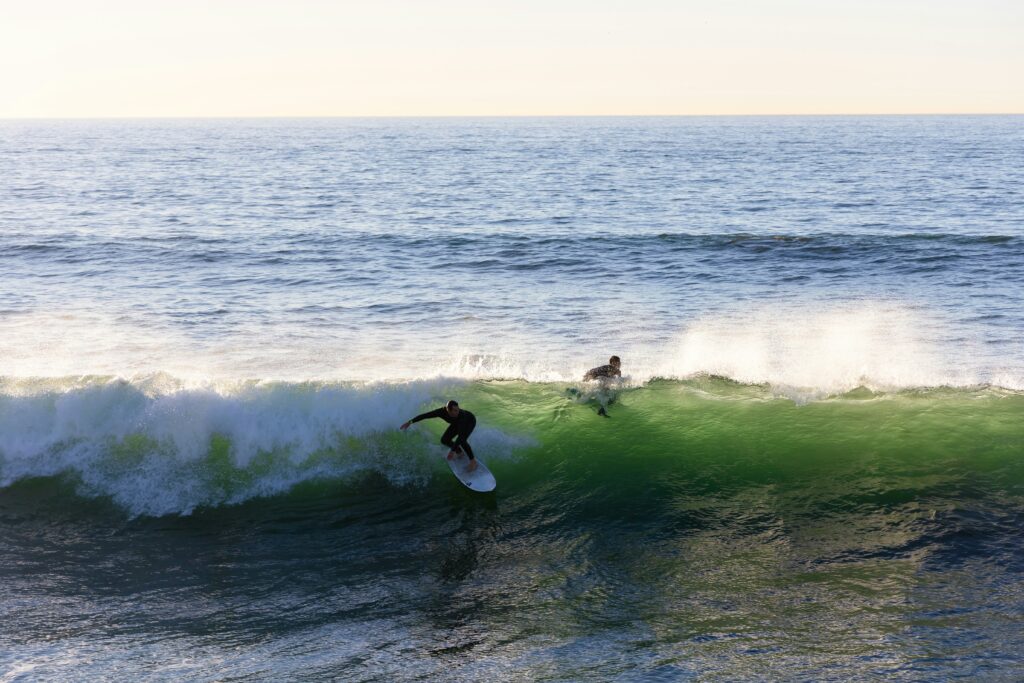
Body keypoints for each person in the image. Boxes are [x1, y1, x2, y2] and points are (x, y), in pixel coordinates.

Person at [400, 399, 478, 472]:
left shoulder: (461, 415)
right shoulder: (441, 412)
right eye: (455, 410)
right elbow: (426, 415)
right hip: (456, 423)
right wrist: (410, 422)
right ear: (448, 410)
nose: (457, 411)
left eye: (458, 409)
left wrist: (452, 450)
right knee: (444, 440)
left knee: (462, 440)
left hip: (469, 421)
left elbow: (461, 436)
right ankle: (460, 452)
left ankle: (473, 462)